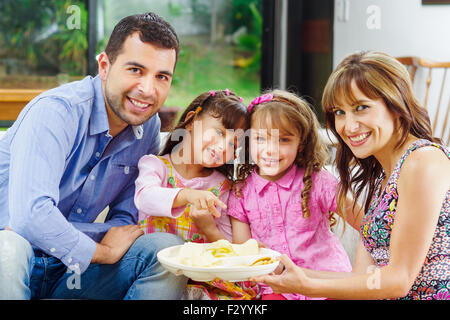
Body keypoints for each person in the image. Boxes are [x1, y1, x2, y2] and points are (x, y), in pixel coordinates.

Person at [0, 12, 188, 300]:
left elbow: (125, 220)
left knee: (165, 249)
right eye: (135, 70)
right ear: (104, 65)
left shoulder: (147, 126)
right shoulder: (56, 112)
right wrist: (101, 250)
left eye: (161, 76)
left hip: (74, 273)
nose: (148, 90)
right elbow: (30, 218)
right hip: (16, 264)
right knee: (7, 248)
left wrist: (77, 240)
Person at [251, 51, 450, 300]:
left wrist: (307, 286)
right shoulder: (382, 177)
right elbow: (361, 277)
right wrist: (293, 275)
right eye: (339, 112)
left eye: (361, 108)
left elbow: (399, 280)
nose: (348, 126)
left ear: (396, 105)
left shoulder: (423, 161)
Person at [227, 89, 362, 300]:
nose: (271, 150)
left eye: (284, 140)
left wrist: (366, 273)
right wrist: (253, 252)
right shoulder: (240, 193)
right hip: (276, 287)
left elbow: (368, 224)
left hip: (327, 281)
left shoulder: (318, 181)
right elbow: (243, 251)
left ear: (301, 143)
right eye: (260, 139)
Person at [135, 89, 260, 299]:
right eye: (220, 132)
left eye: (233, 145)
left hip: (204, 282)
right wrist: (187, 195)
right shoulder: (156, 166)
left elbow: (228, 250)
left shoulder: (222, 187)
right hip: (156, 276)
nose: (223, 147)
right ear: (192, 120)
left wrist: (208, 227)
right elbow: (144, 198)